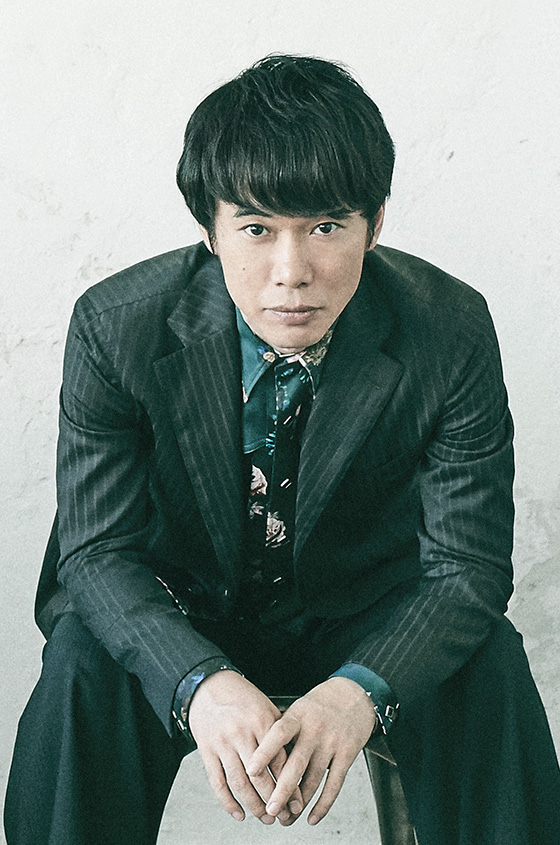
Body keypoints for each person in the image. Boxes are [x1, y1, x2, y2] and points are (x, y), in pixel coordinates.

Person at [5, 54, 560, 845]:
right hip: (182, 601)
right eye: (257, 228)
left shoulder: (450, 329)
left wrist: (360, 690)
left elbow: (467, 568)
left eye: (326, 227)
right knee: (82, 659)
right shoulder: (116, 326)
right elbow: (95, 554)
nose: (292, 273)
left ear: (375, 224)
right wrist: (198, 680)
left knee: (486, 661)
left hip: (362, 607)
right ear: (209, 228)